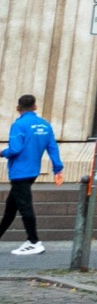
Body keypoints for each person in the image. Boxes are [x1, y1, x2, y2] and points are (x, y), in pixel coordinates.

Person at [3, 95, 63, 255]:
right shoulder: (45, 125)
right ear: (35, 107)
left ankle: (34, 241)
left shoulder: (19, 125)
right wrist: (58, 169)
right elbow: (53, 148)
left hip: (19, 172)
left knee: (24, 207)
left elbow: (15, 149)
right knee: (11, 207)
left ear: (18, 108)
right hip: (32, 172)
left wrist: (3, 152)